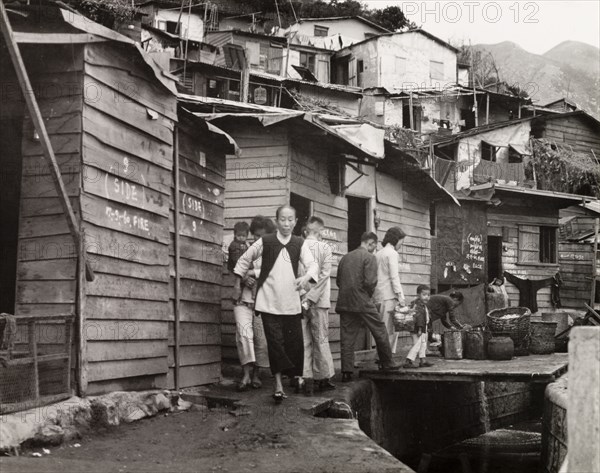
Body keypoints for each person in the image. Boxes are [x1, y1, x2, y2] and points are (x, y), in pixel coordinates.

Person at [233, 205, 318, 403]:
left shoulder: (299, 243)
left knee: (294, 344)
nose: (286, 223)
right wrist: (237, 284)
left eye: (290, 220)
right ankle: (278, 385)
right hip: (268, 302)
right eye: (282, 219)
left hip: (291, 303)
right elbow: (244, 260)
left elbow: (313, 265)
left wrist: (305, 278)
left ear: (296, 222)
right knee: (275, 344)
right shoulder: (266, 242)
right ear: (277, 221)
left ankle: (295, 377)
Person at [336, 232, 401, 382]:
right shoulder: (369, 257)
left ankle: (346, 371)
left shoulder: (345, 257)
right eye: (374, 246)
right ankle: (387, 363)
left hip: (345, 302)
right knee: (380, 330)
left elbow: (339, 281)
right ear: (370, 243)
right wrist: (367, 295)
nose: (374, 249)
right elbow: (371, 282)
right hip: (362, 301)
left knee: (347, 338)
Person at [230, 216, 274, 391]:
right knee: (243, 335)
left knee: (261, 341)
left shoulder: (273, 252)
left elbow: (271, 272)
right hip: (243, 302)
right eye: (255, 236)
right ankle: (246, 374)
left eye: (262, 236)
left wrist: (251, 273)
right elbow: (235, 268)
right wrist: (243, 279)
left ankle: (257, 374)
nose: (258, 240)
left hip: (263, 303)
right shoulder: (244, 250)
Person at [299, 216, 336, 396]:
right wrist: (312, 298)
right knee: (320, 338)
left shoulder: (298, 246)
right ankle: (322, 378)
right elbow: (323, 276)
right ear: (320, 231)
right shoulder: (324, 248)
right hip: (319, 301)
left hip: (299, 299)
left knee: (304, 339)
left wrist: (303, 298)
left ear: (306, 230)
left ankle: (305, 378)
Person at [374, 226, 407, 354]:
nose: (401, 245)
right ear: (396, 239)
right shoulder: (392, 254)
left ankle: (381, 356)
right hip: (388, 296)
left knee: (381, 328)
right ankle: (386, 358)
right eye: (401, 242)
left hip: (378, 296)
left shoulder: (378, 253)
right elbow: (394, 277)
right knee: (389, 329)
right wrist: (401, 297)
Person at [403, 285, 434, 369]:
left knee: (423, 344)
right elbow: (419, 318)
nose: (427, 297)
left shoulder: (423, 305)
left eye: (428, 295)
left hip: (424, 328)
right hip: (418, 329)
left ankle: (422, 360)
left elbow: (426, 317)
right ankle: (408, 360)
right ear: (418, 295)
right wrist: (420, 329)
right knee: (417, 345)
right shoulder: (418, 305)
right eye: (424, 295)